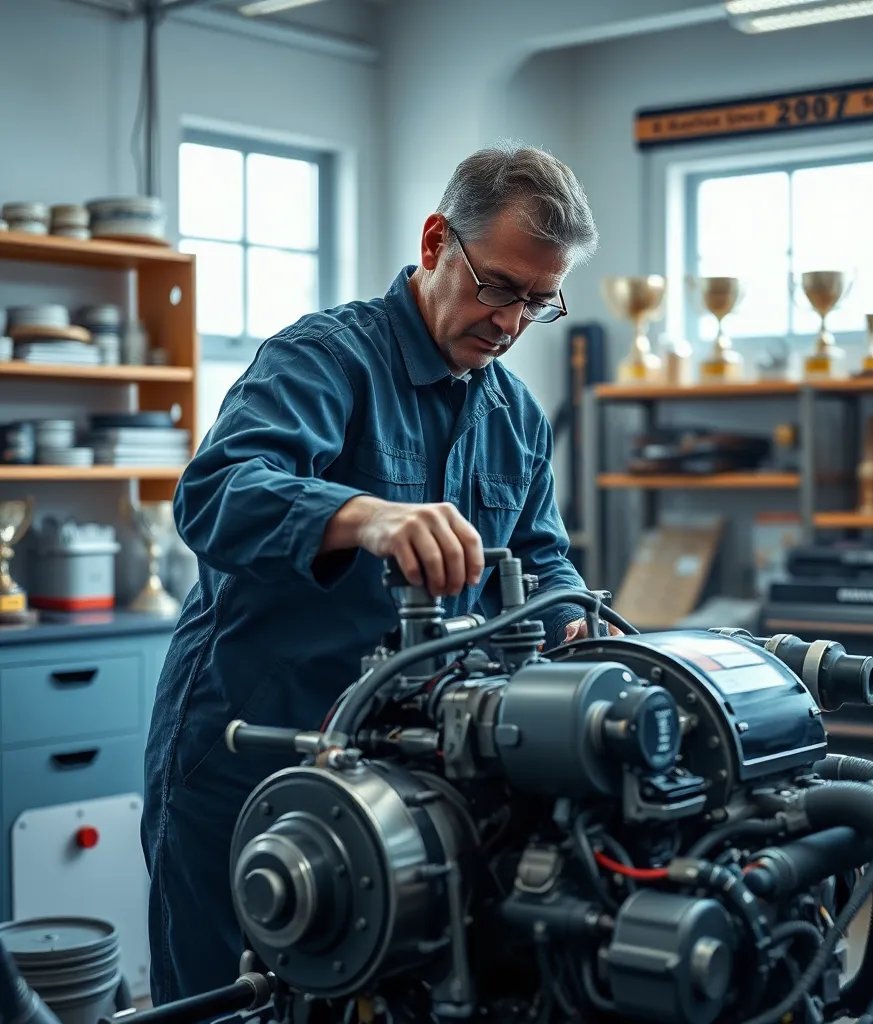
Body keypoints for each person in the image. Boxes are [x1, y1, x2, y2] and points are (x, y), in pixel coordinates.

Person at [141, 141, 619, 1005]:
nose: (512, 323)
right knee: (224, 1000)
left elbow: (542, 556)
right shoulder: (323, 360)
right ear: (437, 241)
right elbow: (216, 494)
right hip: (251, 752)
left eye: (538, 303)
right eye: (500, 287)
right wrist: (364, 514)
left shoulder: (515, 415)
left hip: (405, 778)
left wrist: (576, 624)